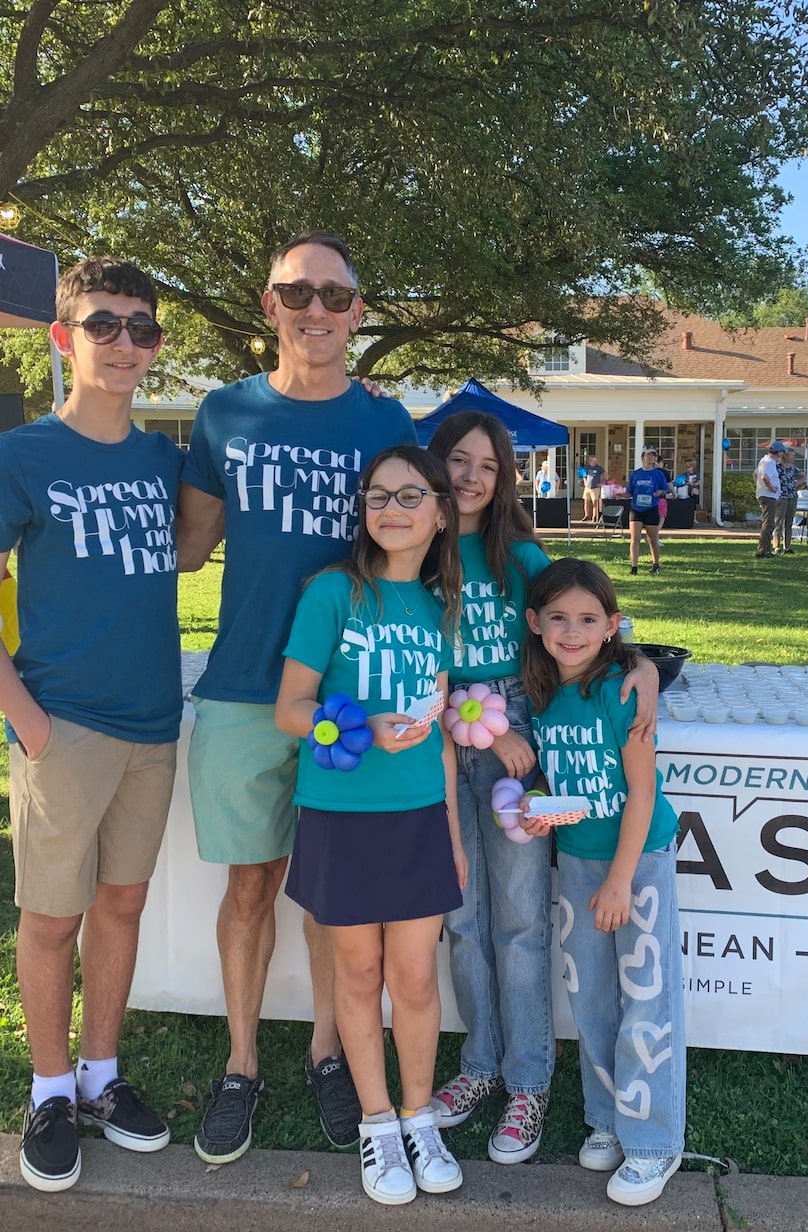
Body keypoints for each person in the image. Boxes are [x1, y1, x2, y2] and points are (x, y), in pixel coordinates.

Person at [176, 231, 417, 1163]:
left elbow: (430, 545)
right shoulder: (222, 414)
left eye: (334, 294)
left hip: (352, 699)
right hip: (244, 690)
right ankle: (243, 1064)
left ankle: (325, 1052)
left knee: (332, 900)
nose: (315, 308)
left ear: (356, 313)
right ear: (269, 305)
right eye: (296, 291)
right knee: (250, 888)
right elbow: (186, 547)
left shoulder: (387, 422)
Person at [426, 412, 659, 1165]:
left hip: (515, 742)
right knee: (461, 918)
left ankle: (528, 1080)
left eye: (486, 466)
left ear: (503, 481)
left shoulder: (519, 555)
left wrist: (646, 668)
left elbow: (582, 629)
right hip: (436, 737)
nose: (469, 476)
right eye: (457, 460)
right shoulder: (416, 551)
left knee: (521, 920)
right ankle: (480, 1065)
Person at [0, 257, 180, 1192]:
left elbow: (197, 549)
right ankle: (48, 1089)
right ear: (65, 338)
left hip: (154, 727)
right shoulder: (22, 455)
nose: (124, 343)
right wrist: (27, 721)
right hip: (62, 726)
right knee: (51, 918)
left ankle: (103, 1078)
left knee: (121, 905)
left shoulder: (161, 460)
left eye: (142, 328)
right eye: (104, 324)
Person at [275, 445, 466, 1206]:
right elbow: (290, 708)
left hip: (418, 816)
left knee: (415, 977)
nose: (392, 508)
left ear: (441, 513)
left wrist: (451, 831)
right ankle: (377, 1126)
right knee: (356, 972)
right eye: (378, 495)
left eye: (410, 495)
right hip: (342, 815)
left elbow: (443, 728)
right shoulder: (333, 592)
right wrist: (356, 725)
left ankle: (421, 1116)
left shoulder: (437, 606)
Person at [522, 557, 685, 1208]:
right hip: (579, 860)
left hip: (635, 859)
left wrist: (621, 880)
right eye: (558, 617)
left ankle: (653, 1142)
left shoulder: (624, 689)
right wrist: (540, 810)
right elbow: (566, 786)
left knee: (646, 1000)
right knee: (589, 997)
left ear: (613, 626)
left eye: (588, 619)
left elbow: (640, 792)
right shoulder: (540, 695)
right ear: (534, 623)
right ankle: (609, 1119)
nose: (571, 630)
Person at [627, 448, 667, 575]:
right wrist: (620, 494)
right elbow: (630, 491)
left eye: (653, 456)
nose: (651, 458)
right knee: (635, 538)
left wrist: (660, 493)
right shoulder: (635, 474)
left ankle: (655, 564)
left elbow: (664, 490)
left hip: (651, 509)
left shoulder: (658, 474)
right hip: (636, 509)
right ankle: (634, 567)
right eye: (648, 455)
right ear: (642, 456)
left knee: (652, 539)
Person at [753, 441, 784, 558]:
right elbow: (764, 477)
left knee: (768, 522)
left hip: (763, 494)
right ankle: (763, 551)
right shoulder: (770, 462)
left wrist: (759, 487)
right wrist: (771, 488)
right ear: (779, 452)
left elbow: (754, 474)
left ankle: (765, 549)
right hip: (768, 496)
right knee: (769, 523)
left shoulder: (763, 460)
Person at [772, 448, 800, 555]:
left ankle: (787, 547)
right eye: (792, 455)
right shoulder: (777, 468)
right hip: (781, 497)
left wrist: (796, 485)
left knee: (789, 522)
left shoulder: (793, 468)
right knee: (779, 522)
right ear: (785, 456)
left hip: (792, 496)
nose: (793, 457)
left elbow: (803, 476)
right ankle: (776, 546)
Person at [654, 455, 675, 539]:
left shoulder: (650, 472)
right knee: (661, 518)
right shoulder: (664, 473)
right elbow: (669, 486)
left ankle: (655, 537)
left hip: (650, 499)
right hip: (661, 498)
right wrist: (674, 494)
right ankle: (654, 536)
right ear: (659, 462)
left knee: (653, 520)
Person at [582, 455, 606, 522]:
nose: (590, 462)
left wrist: (602, 483)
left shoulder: (599, 468)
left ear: (595, 461)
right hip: (587, 487)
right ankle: (586, 515)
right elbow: (583, 475)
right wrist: (585, 481)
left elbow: (605, 475)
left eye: (591, 460)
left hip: (595, 488)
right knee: (586, 501)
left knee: (595, 502)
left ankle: (594, 516)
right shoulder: (587, 468)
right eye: (589, 460)